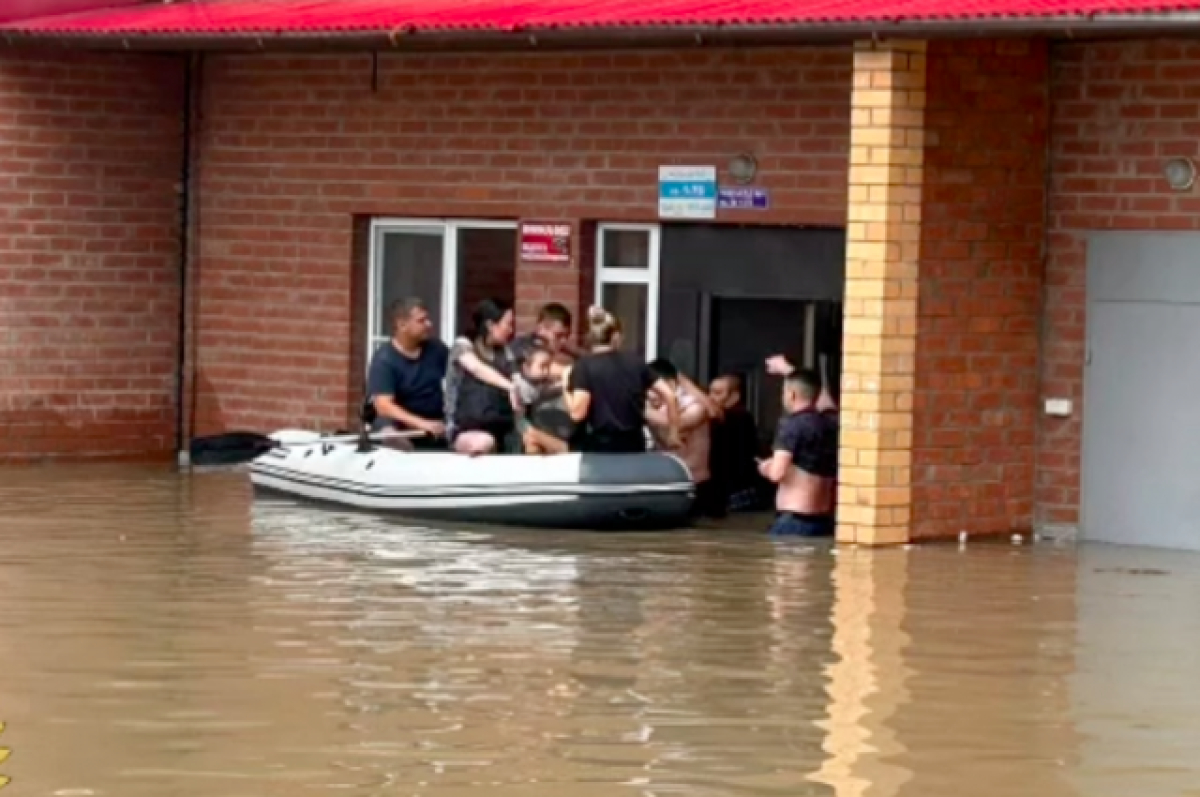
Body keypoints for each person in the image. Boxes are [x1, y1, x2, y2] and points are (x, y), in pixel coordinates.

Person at [562, 307, 679, 453]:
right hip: (634, 443)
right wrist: (673, 433)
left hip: (600, 447)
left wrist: (565, 384)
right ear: (615, 337)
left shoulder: (584, 367)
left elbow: (577, 413)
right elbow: (670, 395)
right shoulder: (636, 363)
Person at [759, 369, 838, 536]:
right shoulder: (832, 423)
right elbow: (828, 404)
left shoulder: (791, 426)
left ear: (792, 395)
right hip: (824, 519)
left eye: (783, 392)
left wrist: (766, 467)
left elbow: (777, 474)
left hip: (794, 519)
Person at [365, 297, 449, 449]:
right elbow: (384, 406)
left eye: (427, 319)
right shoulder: (384, 360)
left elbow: (459, 372)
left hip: (434, 423)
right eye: (421, 321)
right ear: (402, 325)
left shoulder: (437, 349)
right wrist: (422, 424)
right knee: (387, 430)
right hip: (401, 426)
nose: (429, 324)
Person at [646, 358, 721, 517]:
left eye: (654, 388)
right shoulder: (650, 406)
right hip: (667, 484)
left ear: (671, 385)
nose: (650, 394)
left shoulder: (695, 406)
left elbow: (678, 424)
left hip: (697, 486)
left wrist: (639, 410)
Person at [444, 298, 518, 456]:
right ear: (491, 325)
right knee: (483, 443)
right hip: (463, 427)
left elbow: (517, 378)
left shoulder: (505, 352)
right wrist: (509, 386)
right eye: (508, 324)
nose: (511, 330)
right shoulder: (463, 344)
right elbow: (476, 368)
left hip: (499, 424)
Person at [708, 373, 766, 514]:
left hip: (737, 489)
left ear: (735, 396)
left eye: (717, 393)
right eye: (709, 392)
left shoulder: (740, 417)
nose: (710, 397)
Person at [512, 342, 572, 455]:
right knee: (531, 441)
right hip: (520, 429)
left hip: (535, 427)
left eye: (548, 366)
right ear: (525, 367)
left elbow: (547, 390)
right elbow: (520, 418)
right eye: (542, 366)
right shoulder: (519, 385)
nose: (546, 371)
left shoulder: (539, 383)